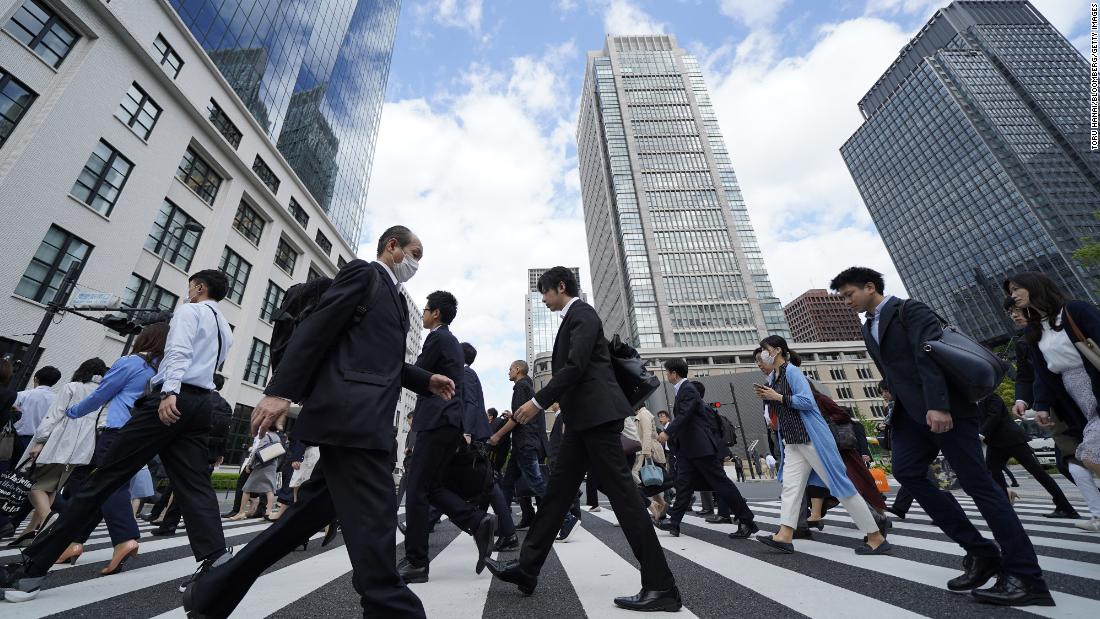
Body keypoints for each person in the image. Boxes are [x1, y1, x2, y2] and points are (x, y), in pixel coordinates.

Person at [181, 227, 458, 618]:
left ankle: (211, 592)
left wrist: (424, 379)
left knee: (300, 521)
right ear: (392, 246)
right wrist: (280, 391)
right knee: (377, 526)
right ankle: (392, 609)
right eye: (415, 251)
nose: (417, 262)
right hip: (352, 422)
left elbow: (380, 361)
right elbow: (317, 329)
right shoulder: (364, 273)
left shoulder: (395, 298)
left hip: (364, 421)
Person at [2, 270, 235, 603]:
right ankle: (217, 563)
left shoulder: (190, 310)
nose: (187, 292)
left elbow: (179, 351)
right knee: (195, 486)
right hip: (201, 405)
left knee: (103, 479)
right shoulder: (226, 328)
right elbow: (215, 363)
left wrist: (169, 390)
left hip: (170, 399)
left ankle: (31, 571)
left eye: (190, 287)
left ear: (199, 287)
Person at [833, 266, 1052, 606]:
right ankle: (981, 552)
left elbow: (928, 355)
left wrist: (938, 405)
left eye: (849, 295)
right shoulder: (868, 326)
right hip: (909, 415)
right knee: (906, 472)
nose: (846, 302)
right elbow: (893, 371)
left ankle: (1027, 576)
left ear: (870, 287)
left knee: (979, 484)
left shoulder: (910, 310)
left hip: (946, 409)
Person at [485, 266, 681, 612]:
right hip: (581, 422)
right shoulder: (573, 318)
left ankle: (661, 585)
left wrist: (537, 402)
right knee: (556, 496)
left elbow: (574, 368)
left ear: (561, 287)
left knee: (623, 497)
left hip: (597, 419)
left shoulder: (583, 315)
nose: (543, 299)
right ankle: (527, 570)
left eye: (545, 292)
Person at [750, 336, 890, 556]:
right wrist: (768, 396)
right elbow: (782, 406)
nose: (763, 355)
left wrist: (777, 396)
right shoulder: (774, 377)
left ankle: (875, 536)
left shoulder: (792, 372)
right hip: (793, 441)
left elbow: (807, 401)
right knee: (791, 488)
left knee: (840, 485)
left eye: (766, 350)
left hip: (811, 438)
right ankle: (784, 536)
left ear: (777, 350)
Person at [399, 291, 496, 584]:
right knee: (431, 486)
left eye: (426, 310)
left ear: (436, 314)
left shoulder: (438, 339)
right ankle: (477, 521)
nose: (425, 314)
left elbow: (418, 374)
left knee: (416, 488)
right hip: (448, 423)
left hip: (436, 420)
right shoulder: (451, 342)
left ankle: (416, 562)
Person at [59, 322, 170, 570]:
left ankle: (124, 538)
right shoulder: (163, 370)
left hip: (115, 431)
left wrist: (72, 411)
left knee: (103, 485)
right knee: (100, 488)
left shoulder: (131, 363)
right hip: (142, 434)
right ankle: (73, 542)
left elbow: (101, 394)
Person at [1005, 272, 1100, 532]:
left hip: (1094, 384)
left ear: (1035, 287)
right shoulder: (1036, 331)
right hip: (1074, 398)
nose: (1013, 295)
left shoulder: (1075, 311)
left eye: (1016, 289)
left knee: (1090, 455)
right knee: (1084, 456)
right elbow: (1043, 375)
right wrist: (1042, 406)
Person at [8, 359, 107, 548]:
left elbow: (55, 414)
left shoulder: (72, 387)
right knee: (51, 488)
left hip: (59, 442)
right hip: (82, 449)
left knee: (33, 485)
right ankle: (30, 531)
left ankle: (50, 522)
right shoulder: (103, 393)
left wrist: (40, 441)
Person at [655, 361, 756, 540]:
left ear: (674, 373)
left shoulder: (688, 389)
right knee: (684, 484)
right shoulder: (683, 390)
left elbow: (684, 415)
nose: (667, 375)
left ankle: (746, 519)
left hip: (700, 447)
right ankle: (674, 522)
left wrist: (667, 432)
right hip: (688, 448)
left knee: (721, 483)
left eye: (667, 372)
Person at [461, 342, 518, 552]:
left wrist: (466, 431)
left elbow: (470, 403)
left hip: (472, 435)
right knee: (489, 484)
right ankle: (507, 532)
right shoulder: (469, 373)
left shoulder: (465, 373)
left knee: (487, 483)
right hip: (476, 434)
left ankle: (426, 521)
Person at [490, 360, 549, 529]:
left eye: (510, 369)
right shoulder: (528, 388)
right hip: (522, 443)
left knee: (536, 482)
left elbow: (518, 419)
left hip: (525, 443)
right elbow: (520, 415)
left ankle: (565, 517)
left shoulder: (521, 387)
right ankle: (504, 525)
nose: (508, 372)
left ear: (517, 370)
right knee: (508, 483)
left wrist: (497, 435)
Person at [9, 366, 61, 472]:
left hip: (14, 438)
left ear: (35, 378)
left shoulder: (22, 395)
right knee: (21, 474)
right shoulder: (57, 400)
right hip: (37, 443)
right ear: (54, 382)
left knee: (6, 469)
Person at [231, 430, 283, 521]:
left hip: (262, 465)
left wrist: (249, 465)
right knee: (269, 489)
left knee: (247, 488)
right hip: (272, 465)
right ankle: (268, 513)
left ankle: (241, 512)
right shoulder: (277, 437)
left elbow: (256, 452)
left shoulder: (266, 436)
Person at [631, 406, 667, 523]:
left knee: (643, 482)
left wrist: (646, 453)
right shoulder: (642, 414)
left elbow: (646, 434)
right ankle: (660, 509)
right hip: (648, 451)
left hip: (649, 452)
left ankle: (658, 507)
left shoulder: (644, 414)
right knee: (652, 485)